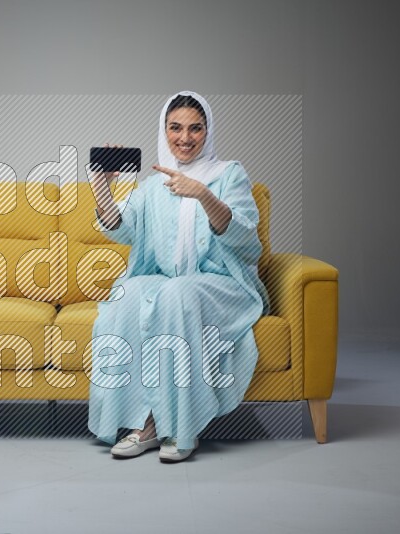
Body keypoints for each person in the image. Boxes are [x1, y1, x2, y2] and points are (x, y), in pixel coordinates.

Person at [87, 90, 270, 462]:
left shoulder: (229, 174)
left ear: (208, 131)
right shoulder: (153, 185)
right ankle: (145, 423)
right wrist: (101, 187)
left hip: (222, 284)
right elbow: (123, 229)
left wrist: (203, 195)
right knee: (130, 295)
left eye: (195, 129)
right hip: (171, 280)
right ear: (164, 130)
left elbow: (244, 234)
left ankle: (179, 428)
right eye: (175, 128)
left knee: (176, 295)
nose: (184, 138)